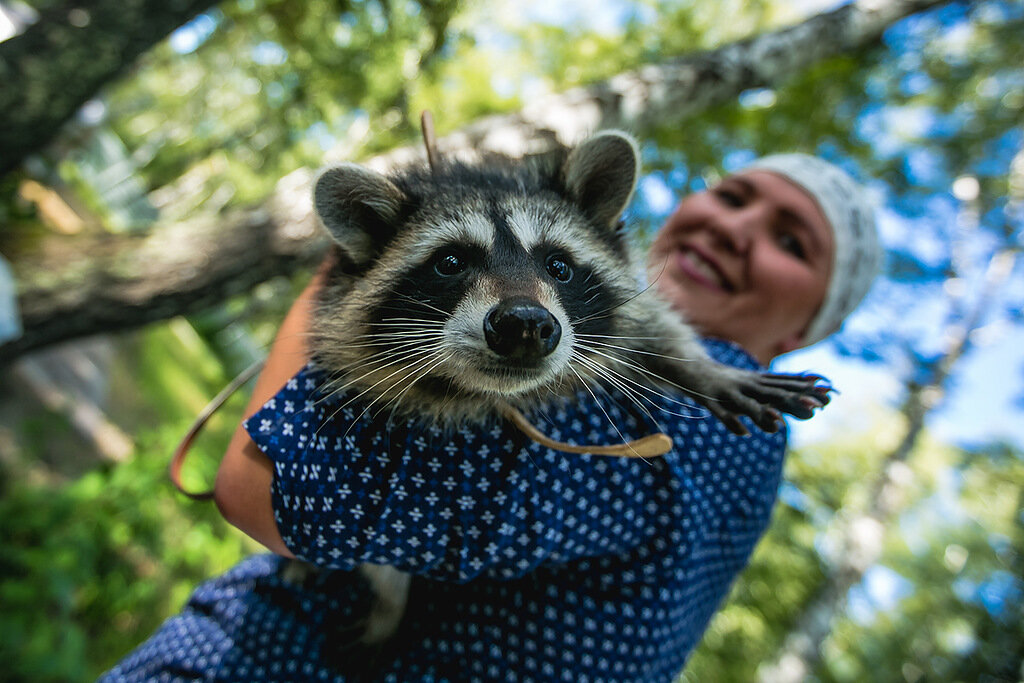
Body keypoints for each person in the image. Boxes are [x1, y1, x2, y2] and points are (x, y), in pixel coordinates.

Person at [101, 153, 880, 682]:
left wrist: (337, 273)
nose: (735, 227)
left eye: (790, 241)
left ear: (800, 335)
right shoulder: (625, 362)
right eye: (733, 193)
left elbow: (272, 488)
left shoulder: (716, 409)